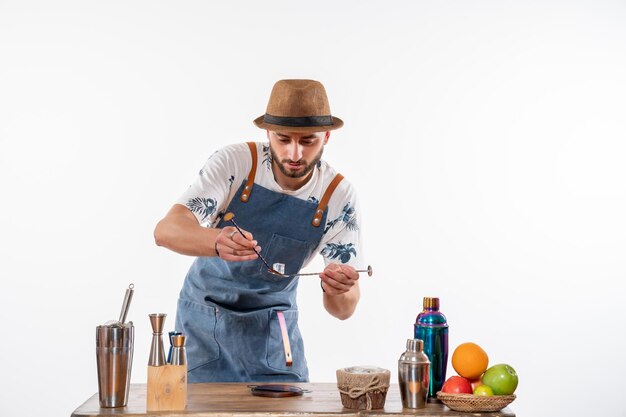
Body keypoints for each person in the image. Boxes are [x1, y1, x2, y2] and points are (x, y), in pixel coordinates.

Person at [154, 79, 364, 383]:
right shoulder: (235, 163)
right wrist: (216, 240)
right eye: (283, 139)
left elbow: (343, 310)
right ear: (268, 132)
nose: (294, 154)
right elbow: (166, 231)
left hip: (274, 337)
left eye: (308, 141)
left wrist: (338, 289)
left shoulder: (338, 196)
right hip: (203, 328)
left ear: (327, 136)